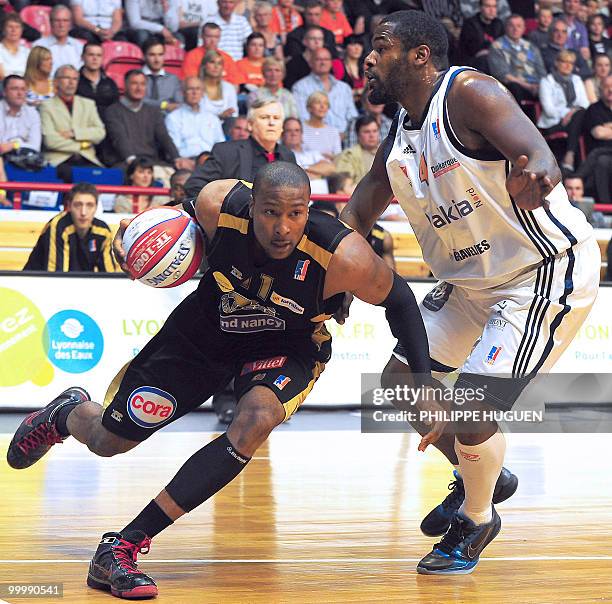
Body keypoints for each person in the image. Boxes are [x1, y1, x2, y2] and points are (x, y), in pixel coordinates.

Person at [7, 161, 433, 599]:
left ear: (308, 210)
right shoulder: (218, 203)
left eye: (296, 213)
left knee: (256, 419)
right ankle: (66, 414)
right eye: (270, 212)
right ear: (252, 208)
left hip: (286, 346)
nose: (282, 227)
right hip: (205, 331)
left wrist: (423, 384)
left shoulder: (345, 257)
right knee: (109, 440)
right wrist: (132, 237)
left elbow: (401, 302)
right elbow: (170, 220)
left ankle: (124, 545)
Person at [339, 9, 600, 575]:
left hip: (541, 272)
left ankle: (477, 518)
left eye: (380, 47)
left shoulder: (470, 92)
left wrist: (538, 173)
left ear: (420, 55)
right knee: (399, 381)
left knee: (471, 408)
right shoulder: (404, 130)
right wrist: (320, 265)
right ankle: (477, 470)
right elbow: (361, 206)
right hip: (469, 283)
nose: (367, 58)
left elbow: (539, 152)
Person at [185, 98, 295, 196]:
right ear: (250, 125)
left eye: (276, 118)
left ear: (282, 126)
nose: (271, 123)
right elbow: (194, 185)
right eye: (264, 117)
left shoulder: (288, 155)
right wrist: (226, 210)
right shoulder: (226, 152)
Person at [103, 69, 192, 175]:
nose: (139, 88)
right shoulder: (113, 111)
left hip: (152, 162)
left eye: (142, 84)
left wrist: (177, 158)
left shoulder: (153, 112)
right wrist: (134, 163)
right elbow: (119, 139)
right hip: (125, 163)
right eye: (134, 83)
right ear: (125, 86)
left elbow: (164, 137)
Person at [23, 182, 117, 272]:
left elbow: (109, 275)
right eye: (78, 205)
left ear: (96, 208)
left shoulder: (103, 231)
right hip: (35, 283)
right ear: (69, 206)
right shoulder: (58, 226)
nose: (83, 212)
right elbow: (56, 277)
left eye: (89, 205)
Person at [40, 64, 106, 182]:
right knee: (69, 175)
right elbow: (50, 141)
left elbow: (100, 132)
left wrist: (75, 133)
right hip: (59, 160)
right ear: (56, 82)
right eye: (66, 78)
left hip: (87, 158)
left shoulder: (88, 104)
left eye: (75, 79)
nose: (71, 82)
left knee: (106, 177)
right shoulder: (46, 106)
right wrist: (83, 145)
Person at [537, 49, 589, 171]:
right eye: (564, 61)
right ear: (556, 63)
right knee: (580, 117)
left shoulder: (576, 79)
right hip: (552, 123)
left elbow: (584, 103)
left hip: (573, 121)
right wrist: (569, 113)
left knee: (581, 115)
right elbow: (549, 111)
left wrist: (571, 113)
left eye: (571, 63)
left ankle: (570, 155)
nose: (567, 65)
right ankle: (572, 159)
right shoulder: (547, 81)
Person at [487, 14, 546, 114]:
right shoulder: (497, 46)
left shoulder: (531, 47)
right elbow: (502, 74)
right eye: (511, 26)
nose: (515, 29)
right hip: (515, 87)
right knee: (514, 87)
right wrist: (528, 86)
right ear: (506, 28)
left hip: (536, 87)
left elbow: (542, 72)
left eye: (519, 26)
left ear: (524, 29)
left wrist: (540, 86)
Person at [292, 47, 358, 135]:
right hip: (314, 138)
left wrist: (345, 134)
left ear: (331, 63)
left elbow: (352, 117)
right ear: (310, 63)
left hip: (344, 139)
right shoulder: (300, 87)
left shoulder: (344, 88)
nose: (323, 63)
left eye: (326, 59)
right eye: (318, 59)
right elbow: (302, 117)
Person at [165, 76, 225, 159]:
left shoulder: (212, 118)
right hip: (187, 161)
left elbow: (221, 145)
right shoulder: (173, 118)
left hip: (211, 161)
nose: (194, 92)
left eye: (198, 89)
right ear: (183, 92)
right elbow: (174, 149)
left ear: (203, 92)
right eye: (190, 89)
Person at [576, 75, 612, 204]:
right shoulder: (594, 109)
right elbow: (598, 133)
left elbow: (603, 131)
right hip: (601, 152)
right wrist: (604, 129)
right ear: (600, 89)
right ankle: (606, 208)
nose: (610, 90)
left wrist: (608, 126)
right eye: (607, 87)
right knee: (602, 161)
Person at [76, 42, 120, 121]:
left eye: (98, 55)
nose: (95, 59)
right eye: (91, 55)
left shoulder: (110, 83)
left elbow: (116, 110)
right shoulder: (74, 81)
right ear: (82, 57)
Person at [0, 75, 41, 156]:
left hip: (26, 159)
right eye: (14, 89)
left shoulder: (32, 113)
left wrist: (14, 145)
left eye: (23, 89)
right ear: (4, 92)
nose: (20, 93)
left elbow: (35, 146)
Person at [33, 5, 84, 70]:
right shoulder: (38, 46)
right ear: (50, 22)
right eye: (57, 21)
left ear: (70, 24)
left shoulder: (79, 46)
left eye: (65, 21)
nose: (61, 25)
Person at [458, 0, 503, 70]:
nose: (492, 10)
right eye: (488, 6)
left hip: (494, 59)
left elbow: (502, 46)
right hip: (472, 64)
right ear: (480, 8)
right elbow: (475, 51)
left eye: (494, 6)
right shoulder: (470, 24)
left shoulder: (498, 24)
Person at [334, 113, 379, 183]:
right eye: (367, 132)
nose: (372, 135)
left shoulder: (389, 154)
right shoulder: (348, 156)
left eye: (375, 131)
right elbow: (345, 186)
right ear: (358, 135)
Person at [142, 38, 183, 112]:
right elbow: (139, 101)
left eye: (160, 55)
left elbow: (179, 104)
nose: (157, 60)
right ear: (144, 56)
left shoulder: (173, 79)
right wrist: (164, 105)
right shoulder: (135, 77)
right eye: (152, 55)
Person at [199, 49, 239, 120]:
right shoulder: (196, 87)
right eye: (212, 62)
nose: (216, 66)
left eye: (219, 63)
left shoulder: (229, 88)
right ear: (204, 65)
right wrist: (219, 116)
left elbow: (234, 114)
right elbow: (195, 114)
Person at [301, 90, 341, 157]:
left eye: (325, 103)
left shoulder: (333, 131)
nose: (322, 106)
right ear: (309, 108)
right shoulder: (299, 129)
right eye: (317, 102)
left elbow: (338, 157)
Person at [0, 14, 30, 80]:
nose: (14, 30)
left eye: (17, 27)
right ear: (3, 30)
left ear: (21, 30)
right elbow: (1, 75)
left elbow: (31, 74)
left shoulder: (27, 51)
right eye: (10, 27)